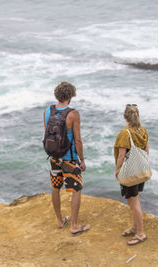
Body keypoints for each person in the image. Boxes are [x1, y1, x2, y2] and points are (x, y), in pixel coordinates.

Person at [43, 81, 90, 235]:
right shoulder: (73, 114)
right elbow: (77, 140)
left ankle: (60, 220)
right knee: (76, 189)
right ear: (70, 96)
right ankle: (74, 226)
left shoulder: (48, 111)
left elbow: (47, 134)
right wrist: (82, 159)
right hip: (69, 159)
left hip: (54, 157)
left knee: (55, 187)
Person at [114, 104, 149, 245]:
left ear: (125, 117)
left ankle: (141, 233)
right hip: (140, 171)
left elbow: (121, 155)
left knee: (134, 203)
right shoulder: (143, 131)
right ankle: (135, 227)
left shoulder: (125, 133)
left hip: (129, 173)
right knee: (134, 200)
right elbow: (146, 151)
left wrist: (117, 171)